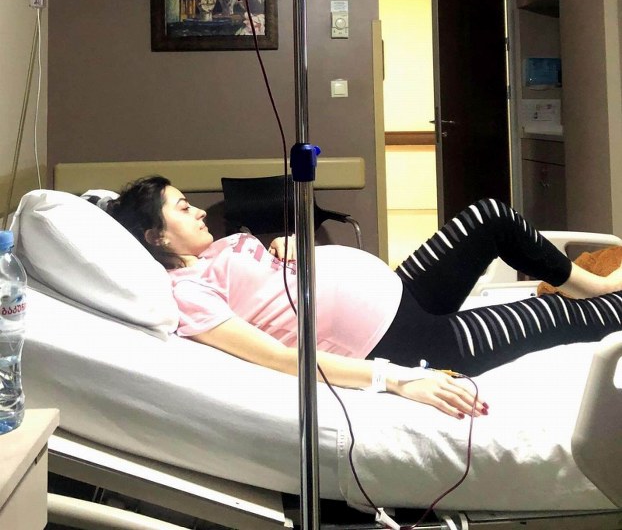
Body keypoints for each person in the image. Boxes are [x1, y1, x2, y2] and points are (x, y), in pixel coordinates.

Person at [108, 175, 622, 419]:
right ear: (157, 237)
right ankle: (601, 297)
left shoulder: (217, 249)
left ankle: (592, 281)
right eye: (182, 209)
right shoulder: (186, 294)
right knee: (567, 315)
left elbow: (270, 286)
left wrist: (290, 247)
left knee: (489, 216)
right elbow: (281, 358)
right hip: (408, 342)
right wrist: (395, 378)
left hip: (404, 290)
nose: (199, 211)